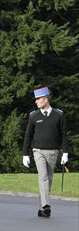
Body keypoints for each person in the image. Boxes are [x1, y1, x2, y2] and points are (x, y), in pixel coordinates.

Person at [22, 87, 69, 218]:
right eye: (36, 99)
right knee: (43, 177)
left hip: (53, 151)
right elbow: (28, 136)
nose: (36, 102)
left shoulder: (58, 115)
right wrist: (25, 154)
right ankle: (46, 206)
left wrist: (65, 153)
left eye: (38, 99)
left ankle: (41, 208)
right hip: (38, 151)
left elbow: (64, 135)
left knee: (48, 179)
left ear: (46, 99)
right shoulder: (34, 116)